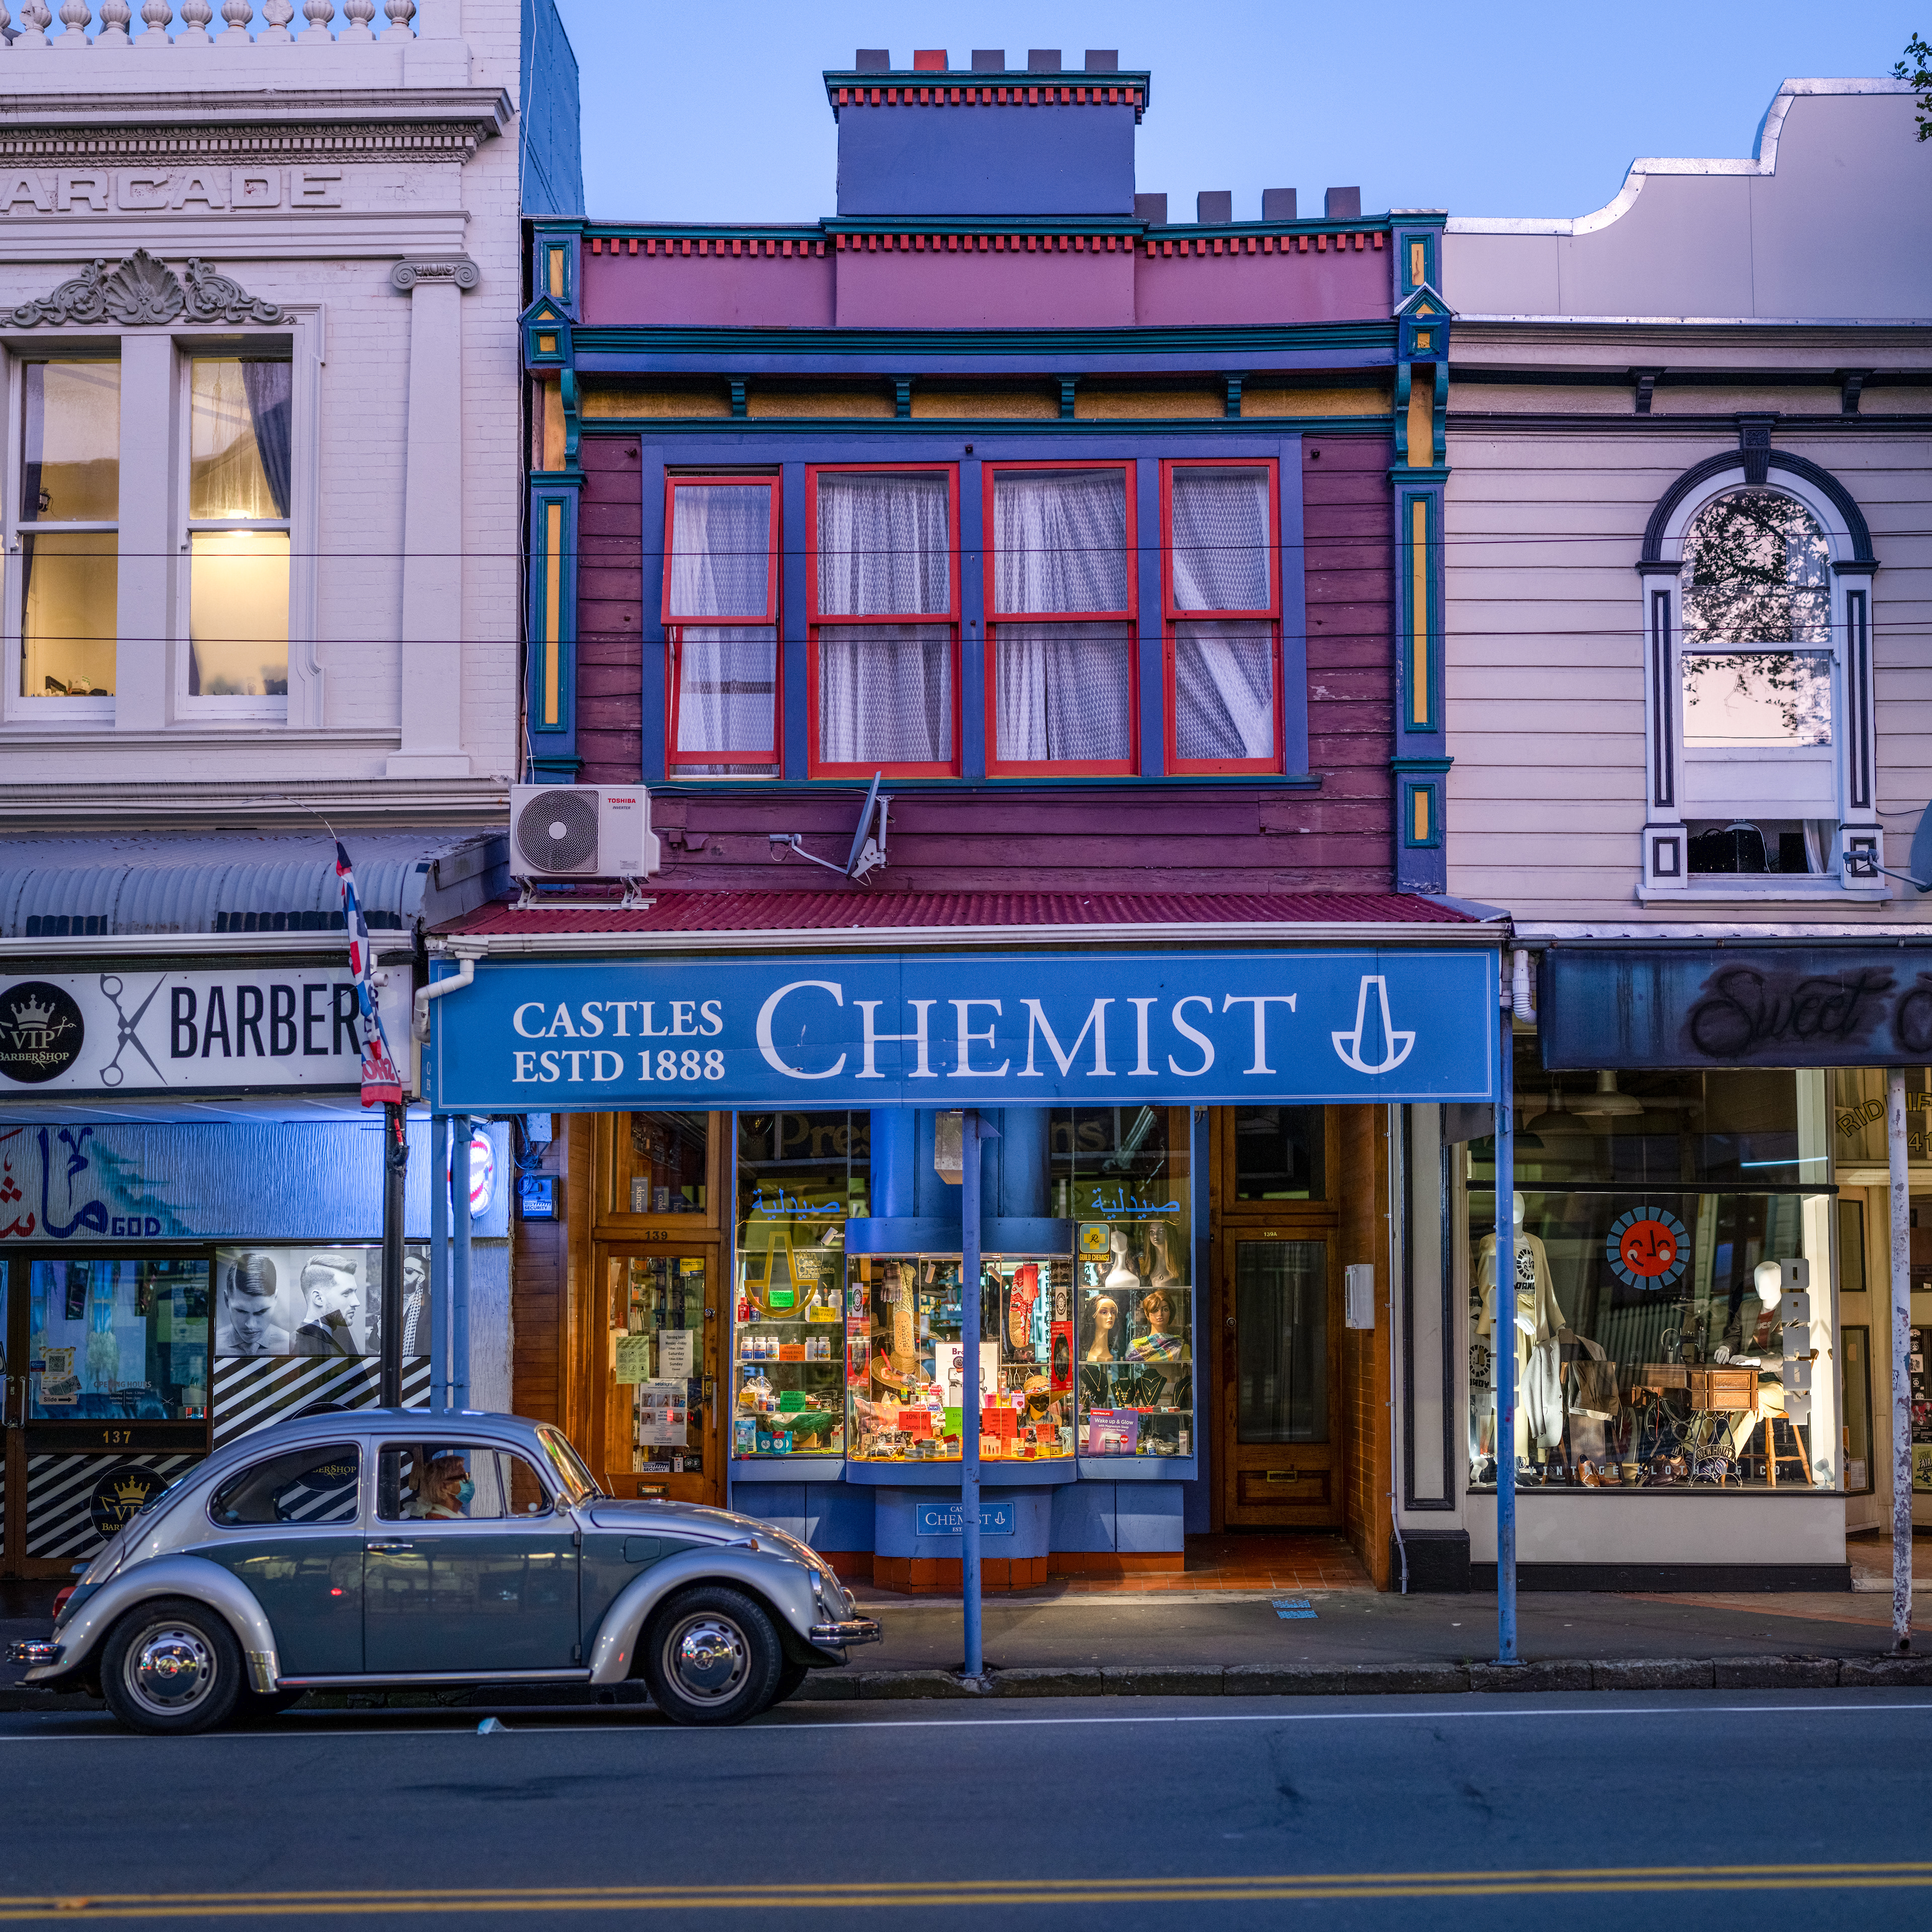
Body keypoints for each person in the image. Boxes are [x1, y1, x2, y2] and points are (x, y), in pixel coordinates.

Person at [215, 1252, 288, 1357]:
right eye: (241, 1311)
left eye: (262, 1312)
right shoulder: (214, 1345)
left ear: (276, 1299)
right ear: (227, 1300)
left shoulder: (291, 1345)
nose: (251, 1325)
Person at [292, 1253, 363, 1357]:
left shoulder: (335, 1337)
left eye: (354, 1292)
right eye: (346, 1293)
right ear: (318, 1298)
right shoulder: (301, 1347)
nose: (356, 1303)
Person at [1127, 1288, 1189, 1363]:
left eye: (1165, 1310)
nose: (1160, 1314)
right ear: (1147, 1314)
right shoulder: (1135, 1346)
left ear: (1170, 1313)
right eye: (1155, 1310)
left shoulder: (1180, 1345)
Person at [412, 1451, 473, 1519]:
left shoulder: (452, 1514)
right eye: (464, 1477)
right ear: (444, 1487)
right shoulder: (440, 1520)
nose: (468, 1481)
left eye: (468, 1476)